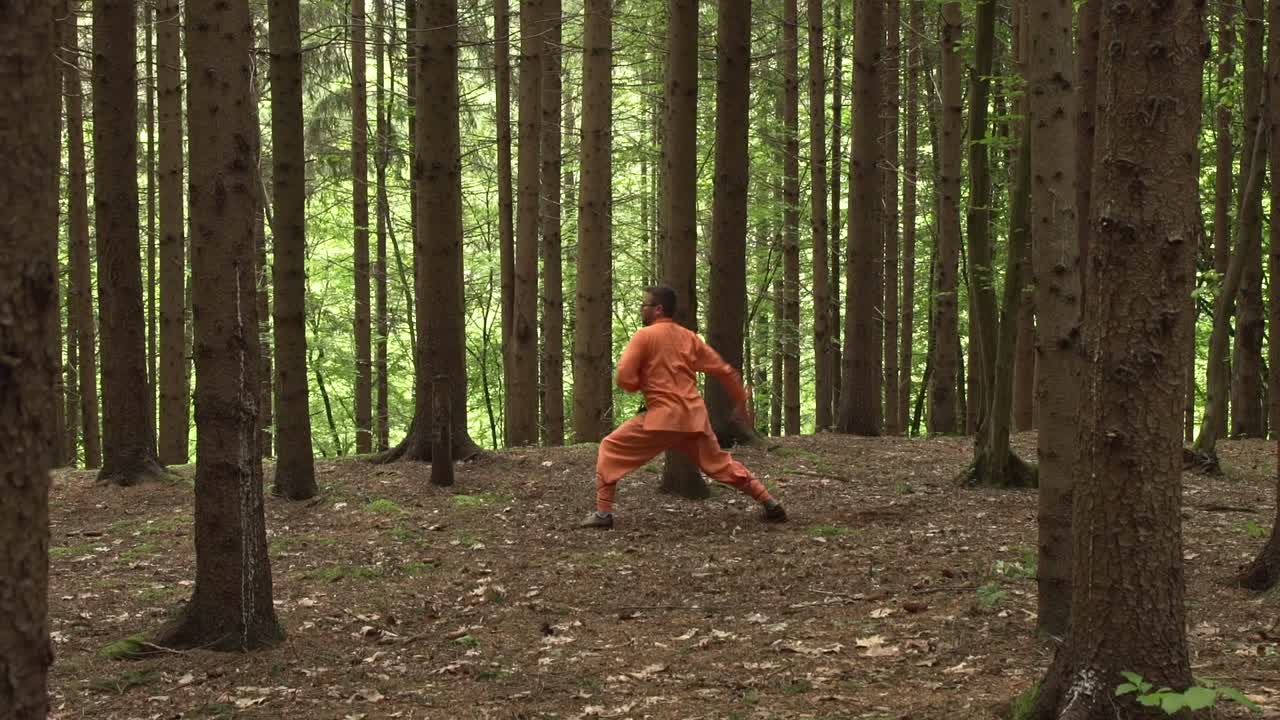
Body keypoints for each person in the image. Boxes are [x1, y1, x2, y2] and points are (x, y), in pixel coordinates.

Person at [579, 286, 787, 528]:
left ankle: (603, 515)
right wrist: (740, 402)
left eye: (644, 305)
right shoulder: (689, 337)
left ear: (658, 309)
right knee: (721, 465)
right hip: (694, 419)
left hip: (663, 418)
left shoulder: (644, 336)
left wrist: (638, 384)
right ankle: (771, 504)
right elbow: (725, 370)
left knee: (610, 447)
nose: (640, 310)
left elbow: (624, 377)